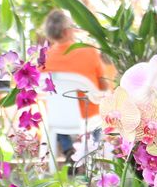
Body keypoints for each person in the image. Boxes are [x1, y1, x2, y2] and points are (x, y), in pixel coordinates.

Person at [41, 9, 114, 159]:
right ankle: (95, 153)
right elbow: (103, 87)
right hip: (89, 115)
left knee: (57, 108)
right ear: (68, 31)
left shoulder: (43, 59)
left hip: (59, 117)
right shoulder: (89, 52)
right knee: (103, 106)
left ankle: (68, 150)